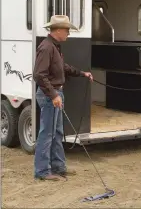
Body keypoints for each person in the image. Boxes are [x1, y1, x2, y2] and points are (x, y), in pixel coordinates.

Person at [33, 15, 93, 181]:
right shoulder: (46, 48)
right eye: (67, 30)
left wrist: (82, 73)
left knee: (57, 133)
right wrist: (53, 95)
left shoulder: (55, 47)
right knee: (47, 134)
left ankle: (58, 167)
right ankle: (42, 171)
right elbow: (39, 75)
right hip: (50, 96)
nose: (68, 33)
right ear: (58, 30)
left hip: (56, 94)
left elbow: (62, 67)